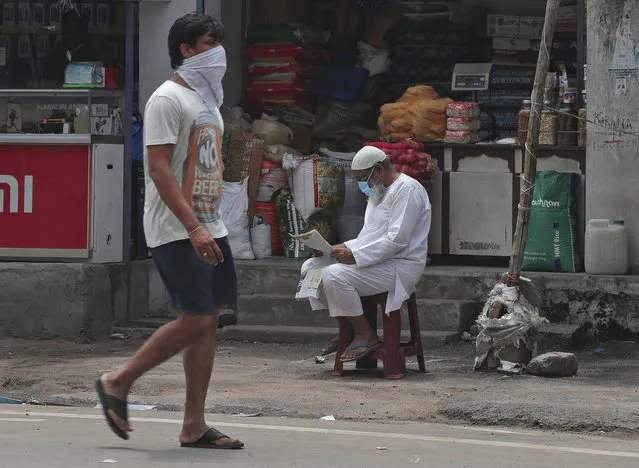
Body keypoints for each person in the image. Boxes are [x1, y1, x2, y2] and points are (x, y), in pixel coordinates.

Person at [94, 12, 243, 450]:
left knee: (209, 320)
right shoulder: (166, 99)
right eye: (210, 43)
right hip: (178, 228)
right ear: (187, 50)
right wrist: (194, 227)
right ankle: (117, 381)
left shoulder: (208, 100)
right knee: (195, 317)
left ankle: (194, 425)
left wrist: (211, 221)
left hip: (209, 222)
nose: (219, 52)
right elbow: (158, 170)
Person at [306, 146, 431, 362]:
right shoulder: (378, 193)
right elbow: (369, 236)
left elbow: (396, 240)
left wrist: (355, 255)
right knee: (311, 267)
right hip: (377, 261)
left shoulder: (407, 190)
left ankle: (366, 334)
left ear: (379, 170)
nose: (362, 185)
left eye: (364, 178)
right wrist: (337, 246)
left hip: (400, 265)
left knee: (334, 275)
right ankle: (350, 328)